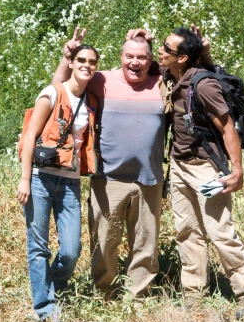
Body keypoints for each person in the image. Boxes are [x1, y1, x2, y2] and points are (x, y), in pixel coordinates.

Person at [52, 27, 167, 300]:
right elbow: (59, 88)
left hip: (149, 178)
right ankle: (107, 294)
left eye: (141, 57)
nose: (135, 63)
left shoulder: (161, 83)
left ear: (150, 60)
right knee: (104, 243)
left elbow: (177, 64)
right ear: (121, 56)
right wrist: (66, 56)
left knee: (146, 243)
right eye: (129, 56)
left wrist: (150, 42)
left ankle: (139, 295)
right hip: (108, 178)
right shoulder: (102, 80)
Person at [156, 26, 244, 320]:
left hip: (206, 170)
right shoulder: (170, 75)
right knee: (187, 231)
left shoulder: (203, 86)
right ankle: (194, 294)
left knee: (219, 231)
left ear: (183, 58)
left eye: (167, 48)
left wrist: (236, 170)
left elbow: (227, 128)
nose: (160, 51)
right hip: (178, 167)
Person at [16, 43, 101, 322]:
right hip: (40, 179)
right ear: (72, 62)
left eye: (92, 62)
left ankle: (50, 288)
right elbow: (30, 137)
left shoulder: (91, 101)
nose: (86, 65)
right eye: (81, 60)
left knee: (71, 250)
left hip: (70, 182)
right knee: (38, 246)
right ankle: (44, 306)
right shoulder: (51, 93)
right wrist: (25, 179)